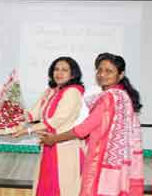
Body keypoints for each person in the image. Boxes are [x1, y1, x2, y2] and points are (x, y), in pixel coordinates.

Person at [37, 53, 144, 196]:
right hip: (117, 161)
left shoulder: (110, 98)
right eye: (99, 70)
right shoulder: (122, 95)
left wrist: (53, 139)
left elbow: (83, 129)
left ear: (121, 74)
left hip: (102, 158)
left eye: (108, 71)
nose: (102, 75)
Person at [13, 56, 86, 196]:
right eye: (56, 69)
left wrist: (27, 130)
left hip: (66, 147)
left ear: (73, 74)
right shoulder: (51, 90)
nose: (59, 73)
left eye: (64, 70)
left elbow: (57, 120)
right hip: (49, 145)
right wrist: (13, 120)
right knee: (47, 185)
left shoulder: (73, 92)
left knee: (64, 188)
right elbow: (34, 112)